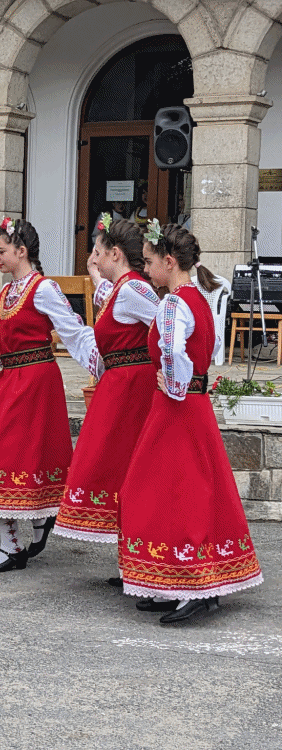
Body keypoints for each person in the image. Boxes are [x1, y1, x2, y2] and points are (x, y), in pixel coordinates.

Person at [119, 221, 263, 623]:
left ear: (169, 262)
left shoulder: (174, 303)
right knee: (182, 491)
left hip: (177, 409)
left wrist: (175, 383)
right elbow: (210, 350)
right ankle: (178, 583)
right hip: (192, 407)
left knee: (170, 491)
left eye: (149, 263)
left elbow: (174, 350)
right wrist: (184, 382)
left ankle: (196, 586)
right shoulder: (199, 297)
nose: (145, 271)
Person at [0, 217, 103, 572]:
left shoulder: (42, 288)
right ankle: (19, 536)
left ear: (21, 251)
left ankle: (16, 542)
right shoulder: (7, 292)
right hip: (11, 380)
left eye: (1, 251)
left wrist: (103, 363)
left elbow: (72, 329)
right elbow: (9, 340)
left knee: (14, 457)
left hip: (36, 382)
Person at [53, 216, 159, 579]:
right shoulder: (121, 289)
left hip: (134, 390)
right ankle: (132, 560)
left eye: (100, 253)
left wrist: (171, 370)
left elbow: (168, 322)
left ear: (116, 253)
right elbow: (111, 303)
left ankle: (145, 559)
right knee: (120, 472)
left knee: (132, 470)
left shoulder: (134, 288)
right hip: (120, 388)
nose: (95, 259)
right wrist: (96, 276)